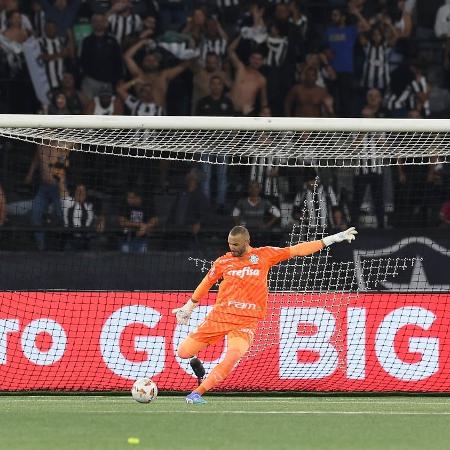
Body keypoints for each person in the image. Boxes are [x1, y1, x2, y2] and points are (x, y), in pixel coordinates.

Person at [172, 224, 358, 404]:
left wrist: (333, 238)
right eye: (229, 244)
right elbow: (207, 282)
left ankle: (197, 393)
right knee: (183, 352)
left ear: (247, 241)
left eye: (236, 244)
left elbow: (298, 250)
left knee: (233, 355)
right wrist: (189, 306)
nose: (232, 247)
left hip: (246, 322)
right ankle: (197, 366)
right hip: (219, 317)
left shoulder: (264, 255)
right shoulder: (223, 261)